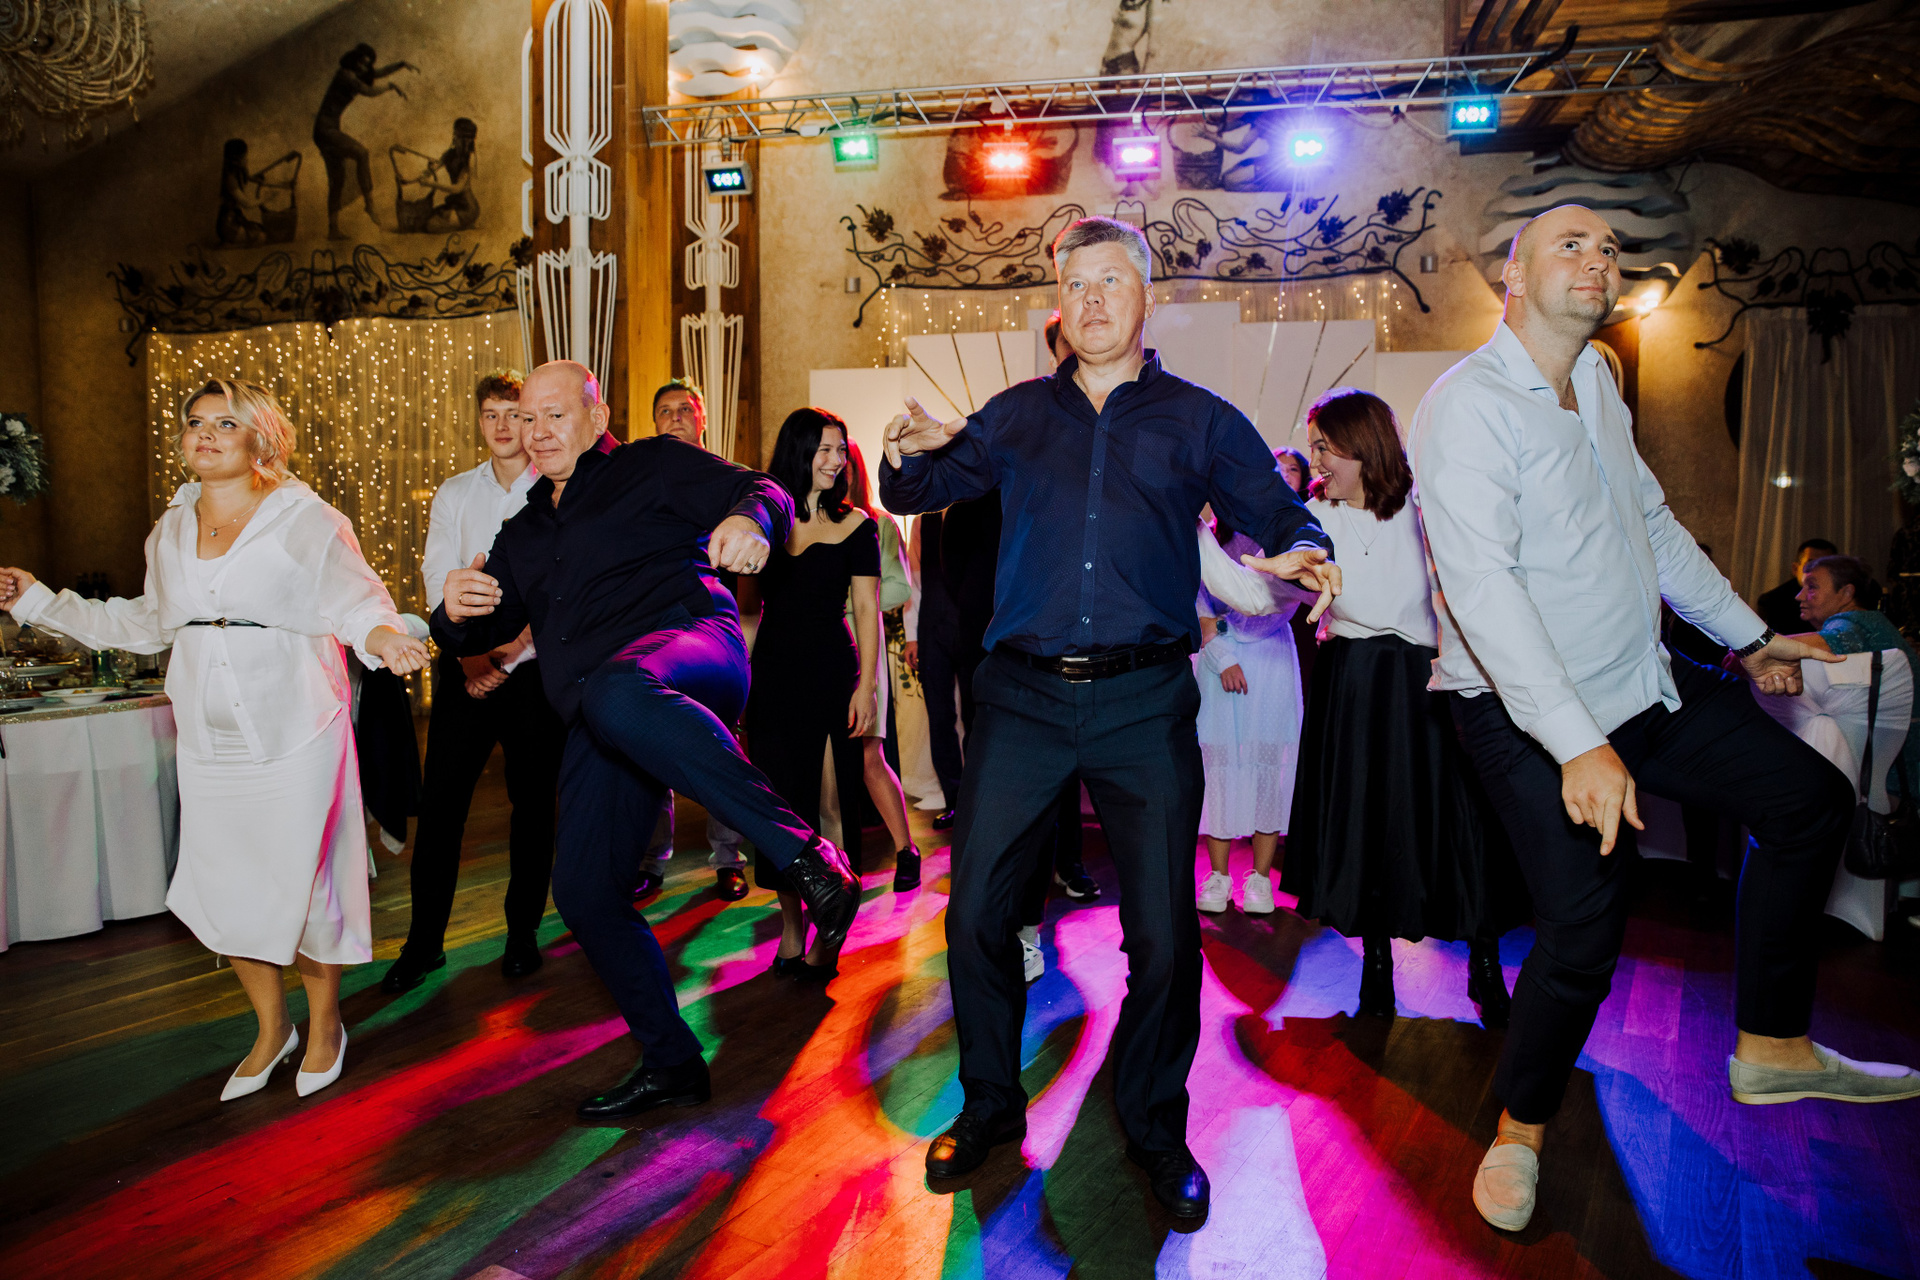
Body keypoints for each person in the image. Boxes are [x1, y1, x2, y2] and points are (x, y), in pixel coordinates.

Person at [1409, 203, 1920, 1236]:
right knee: (1584, 929)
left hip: (1644, 685)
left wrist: (1751, 637)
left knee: (1809, 797)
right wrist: (1580, 746)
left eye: (1609, 247)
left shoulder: (1598, 380)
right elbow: (1484, 593)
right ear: (1516, 277)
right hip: (1522, 713)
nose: (1598, 258)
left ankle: (1772, 1043)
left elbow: (1650, 523)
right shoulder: (1465, 408)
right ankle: (1520, 1125)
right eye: (1571, 244)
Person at [881, 216, 1339, 1219]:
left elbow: (1277, 508)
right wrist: (902, 453)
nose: (1091, 300)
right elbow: (928, 481)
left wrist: (1306, 544)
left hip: (1144, 701)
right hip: (1022, 699)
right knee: (976, 915)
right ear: (1059, 304)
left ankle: (1155, 1125)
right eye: (1075, 284)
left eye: (1110, 281)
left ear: (1144, 296)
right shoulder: (1015, 415)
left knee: (1166, 937)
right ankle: (991, 1103)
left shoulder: (1200, 419)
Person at [435, 362, 859, 1120]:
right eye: (528, 418)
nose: (538, 431)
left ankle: (806, 855)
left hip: (692, 648)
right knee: (584, 892)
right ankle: (671, 1061)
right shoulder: (523, 530)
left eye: (555, 415)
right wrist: (452, 612)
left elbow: (761, 490)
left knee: (617, 688)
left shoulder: (650, 464)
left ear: (597, 419)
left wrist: (747, 523)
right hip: (606, 710)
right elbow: (486, 624)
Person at [0, 379, 430, 1101]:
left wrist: (385, 637)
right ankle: (271, 1028)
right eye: (195, 421)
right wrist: (38, 599)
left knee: (304, 883)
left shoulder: (308, 518)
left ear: (262, 438)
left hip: (297, 727)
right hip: (207, 739)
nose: (204, 433)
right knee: (227, 888)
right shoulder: (169, 528)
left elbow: (358, 603)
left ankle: (325, 1025)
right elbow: (147, 623)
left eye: (225, 423)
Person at [1281, 389, 1521, 1025]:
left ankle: (1485, 962)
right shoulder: (1315, 518)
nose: (1315, 461)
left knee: (1460, 823)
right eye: (1313, 448)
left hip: (1431, 682)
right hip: (1354, 685)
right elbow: (1269, 592)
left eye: (1324, 448)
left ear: (1364, 446)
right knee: (1367, 824)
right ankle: (1377, 965)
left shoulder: (1425, 506)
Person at [382, 371, 563, 995]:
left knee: (533, 808)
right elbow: (438, 576)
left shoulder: (557, 487)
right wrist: (468, 656)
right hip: (462, 671)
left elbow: (558, 593)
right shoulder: (455, 493)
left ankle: (522, 935)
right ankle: (423, 944)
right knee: (441, 810)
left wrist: (506, 657)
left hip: (534, 675)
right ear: (480, 422)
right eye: (491, 415)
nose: (503, 426)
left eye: (515, 413)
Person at [738, 409, 883, 982]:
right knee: (782, 810)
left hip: (831, 676)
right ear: (798, 452)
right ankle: (792, 927)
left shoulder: (858, 525)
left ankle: (833, 929)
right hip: (773, 680)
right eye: (824, 449)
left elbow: (867, 609)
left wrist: (867, 687)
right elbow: (749, 614)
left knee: (832, 807)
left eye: (840, 449)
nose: (835, 460)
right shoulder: (764, 523)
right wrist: (737, 688)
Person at [633, 378, 752, 902]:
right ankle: (650, 861)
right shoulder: (638, 482)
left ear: (702, 418)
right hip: (653, 632)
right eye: (666, 410)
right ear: (654, 422)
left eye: (685, 409)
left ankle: (729, 859)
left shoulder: (728, 479)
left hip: (713, 634)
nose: (676, 416)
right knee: (652, 743)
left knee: (723, 746)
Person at [1193, 496, 1310, 917]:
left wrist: (1232, 628)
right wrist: (1221, 653)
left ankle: (1260, 877)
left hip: (1270, 655)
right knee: (1219, 764)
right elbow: (1195, 597)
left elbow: (1284, 597)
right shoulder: (1210, 535)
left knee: (1268, 764)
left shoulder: (1287, 535)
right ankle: (1219, 874)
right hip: (1215, 655)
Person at [843, 440, 923, 890]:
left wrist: (851, 601)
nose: (834, 467)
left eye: (843, 459)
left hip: (864, 648)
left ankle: (906, 848)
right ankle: (834, 863)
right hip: (819, 651)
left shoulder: (879, 523)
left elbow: (900, 589)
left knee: (869, 755)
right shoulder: (803, 523)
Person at [1793, 555, 1920, 805]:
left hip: (1891, 783)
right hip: (1899, 772)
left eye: (1812, 587)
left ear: (1846, 593)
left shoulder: (1854, 623)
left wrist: (1751, 648)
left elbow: (1832, 642)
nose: (1800, 596)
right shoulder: (1874, 622)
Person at [313, 44, 414, 240]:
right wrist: (390, 87)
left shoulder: (357, 73)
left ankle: (333, 230)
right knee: (361, 153)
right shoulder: (345, 75)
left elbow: (378, 72)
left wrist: (401, 64)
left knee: (337, 180)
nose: (363, 67)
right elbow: (368, 91)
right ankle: (369, 204)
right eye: (361, 63)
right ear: (354, 60)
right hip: (325, 130)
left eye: (367, 64)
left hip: (328, 130)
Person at [1757, 538, 1839, 636]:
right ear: (1795, 569)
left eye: (1826, 565)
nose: (1819, 571)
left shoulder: (1839, 596)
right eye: (1811, 564)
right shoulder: (1773, 601)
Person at [421, 118, 480, 233]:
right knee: (425, 218)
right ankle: (461, 223)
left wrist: (431, 184)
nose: (454, 137)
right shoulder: (449, 154)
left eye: (456, 135)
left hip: (467, 208)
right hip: (454, 203)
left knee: (431, 226)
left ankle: (465, 223)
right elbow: (434, 168)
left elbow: (457, 189)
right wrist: (428, 170)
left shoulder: (470, 158)